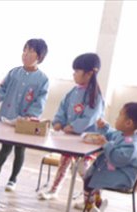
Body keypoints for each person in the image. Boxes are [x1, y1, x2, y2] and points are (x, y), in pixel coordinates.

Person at [0, 38, 49, 191]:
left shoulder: (42, 79)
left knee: (20, 150)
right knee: (5, 147)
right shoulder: (14, 73)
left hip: (25, 122)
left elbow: (40, 101)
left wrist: (31, 116)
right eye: (25, 50)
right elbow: (2, 88)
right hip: (8, 116)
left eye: (31, 51)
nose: (26, 54)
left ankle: (13, 178)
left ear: (39, 57)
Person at [39, 53, 104, 200]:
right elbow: (62, 108)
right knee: (63, 164)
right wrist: (58, 122)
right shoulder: (73, 92)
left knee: (84, 170)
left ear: (88, 73)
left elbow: (90, 117)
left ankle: (92, 199)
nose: (74, 74)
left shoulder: (96, 96)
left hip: (87, 143)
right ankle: (53, 190)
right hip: (70, 141)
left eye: (76, 71)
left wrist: (73, 127)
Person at [81, 102, 137, 212]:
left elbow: (118, 159)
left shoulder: (132, 144)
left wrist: (106, 144)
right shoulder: (125, 134)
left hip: (123, 178)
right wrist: (104, 127)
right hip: (119, 172)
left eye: (119, 116)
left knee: (89, 180)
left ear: (128, 123)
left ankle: (91, 209)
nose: (116, 119)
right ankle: (99, 204)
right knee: (92, 174)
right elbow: (112, 134)